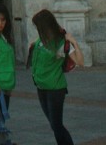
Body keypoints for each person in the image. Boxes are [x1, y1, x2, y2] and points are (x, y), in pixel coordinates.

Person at [30, 8, 84, 145]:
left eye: (39, 27)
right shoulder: (40, 41)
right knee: (54, 125)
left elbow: (80, 62)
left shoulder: (61, 43)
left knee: (56, 125)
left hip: (55, 89)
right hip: (41, 86)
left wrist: (74, 43)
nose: (38, 30)